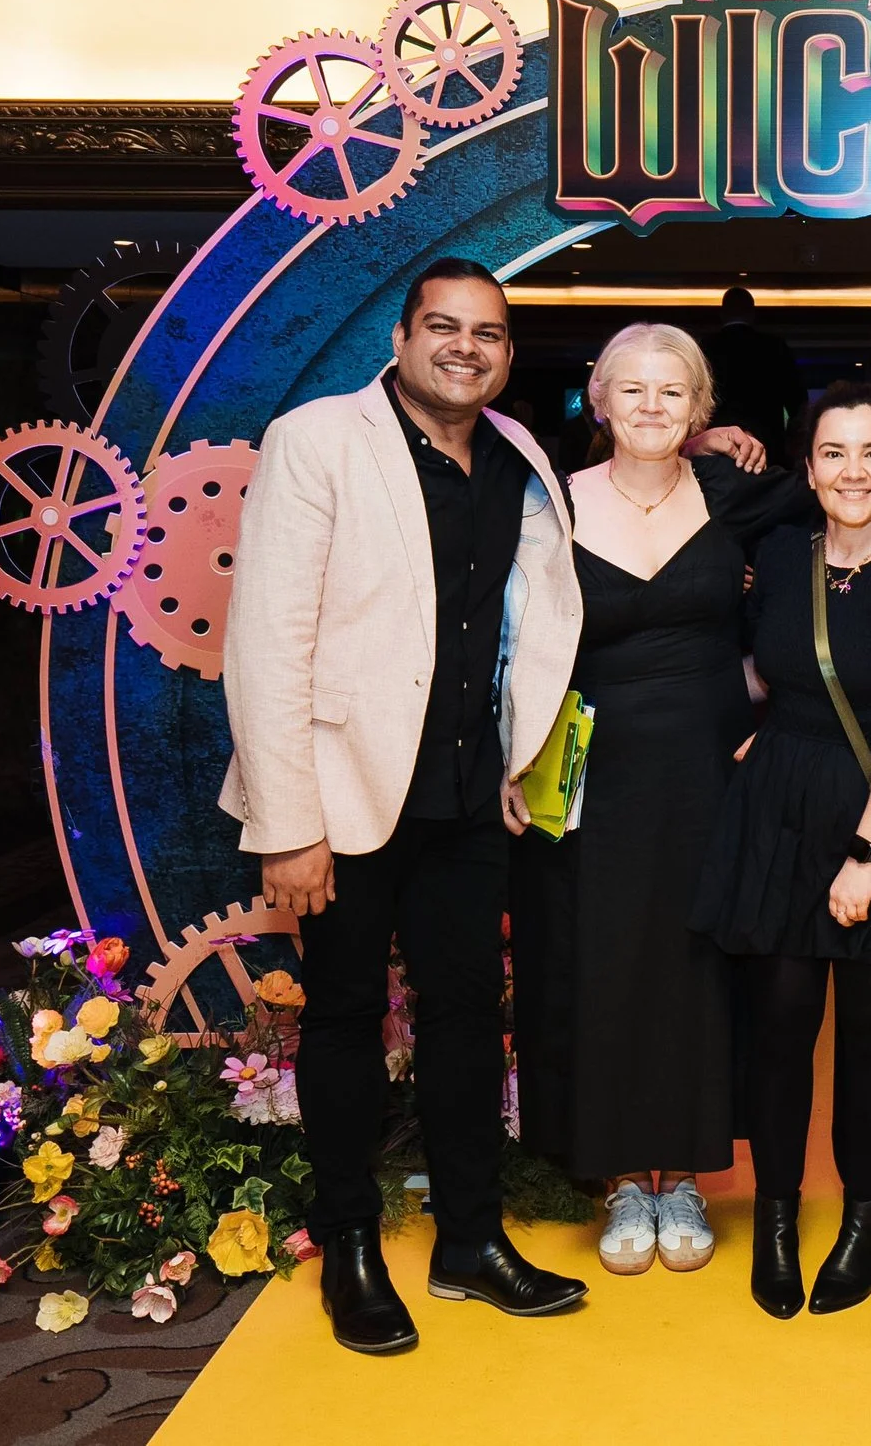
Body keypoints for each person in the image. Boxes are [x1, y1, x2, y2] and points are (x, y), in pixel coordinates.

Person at [220, 257, 587, 1354]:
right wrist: (288, 821)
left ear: (508, 353)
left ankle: (469, 1239)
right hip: (340, 794)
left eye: (489, 332)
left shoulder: (519, 456)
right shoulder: (318, 439)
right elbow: (266, 638)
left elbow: (528, 619)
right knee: (342, 1018)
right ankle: (350, 1245)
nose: (466, 347)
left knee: (466, 1018)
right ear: (401, 336)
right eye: (444, 326)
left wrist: (522, 756)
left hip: (469, 796)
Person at [507, 321, 810, 1276]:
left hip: (712, 768)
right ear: (598, 400)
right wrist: (510, 755)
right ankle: (618, 1179)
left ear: (700, 408)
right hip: (586, 772)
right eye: (631, 388)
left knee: (696, 965)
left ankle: (680, 1174)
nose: (651, 405)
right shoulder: (549, 501)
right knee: (596, 961)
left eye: (672, 390)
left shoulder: (734, 494)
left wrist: (786, 711)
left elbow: (857, 517)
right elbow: (512, 640)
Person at [692, 380, 871, 1319]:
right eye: (835, 453)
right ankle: (775, 1220)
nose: (854, 472)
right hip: (778, 808)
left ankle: (864, 1222)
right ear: (807, 469)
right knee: (778, 1030)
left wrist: (866, 853)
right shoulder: (779, 553)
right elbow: (758, 665)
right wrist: (751, 733)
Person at [698, 286, 809, 466]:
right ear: (752, 314)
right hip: (770, 448)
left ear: (722, 314)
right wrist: (794, 446)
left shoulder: (705, 348)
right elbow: (798, 404)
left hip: (715, 450)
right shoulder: (774, 347)